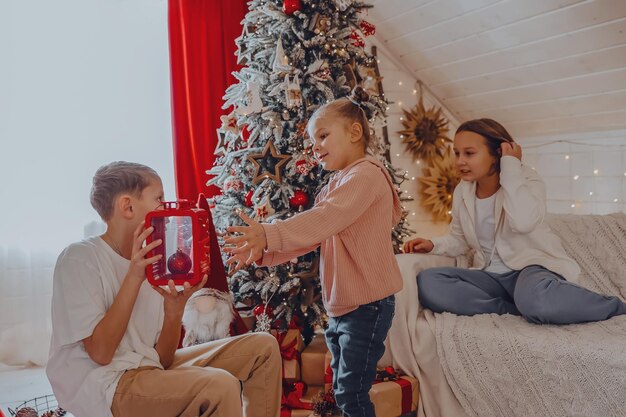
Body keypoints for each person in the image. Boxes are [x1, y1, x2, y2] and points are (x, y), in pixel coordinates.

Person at [46, 161, 282, 417]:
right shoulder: (80, 258)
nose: (166, 206)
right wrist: (134, 277)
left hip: (147, 368)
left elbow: (163, 359)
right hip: (105, 385)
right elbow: (101, 354)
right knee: (219, 386)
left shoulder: (155, 263)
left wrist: (173, 311)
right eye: (159, 198)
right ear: (127, 206)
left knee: (263, 348)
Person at [224, 87, 403, 417]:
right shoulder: (337, 183)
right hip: (343, 304)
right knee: (341, 387)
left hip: (368, 304)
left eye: (322, 135)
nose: (315, 146)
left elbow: (325, 218)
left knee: (352, 392)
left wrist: (268, 233)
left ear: (354, 132)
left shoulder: (365, 176)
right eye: (312, 140)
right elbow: (313, 236)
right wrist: (265, 251)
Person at [403, 118, 626, 324]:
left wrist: (510, 168)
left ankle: (615, 307)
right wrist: (434, 245)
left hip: (530, 270)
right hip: (489, 276)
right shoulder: (463, 191)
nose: (460, 161)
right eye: (457, 153)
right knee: (430, 282)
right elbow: (460, 240)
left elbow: (523, 223)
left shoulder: (527, 180)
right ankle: (512, 310)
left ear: (497, 153)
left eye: (469, 153)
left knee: (535, 298)